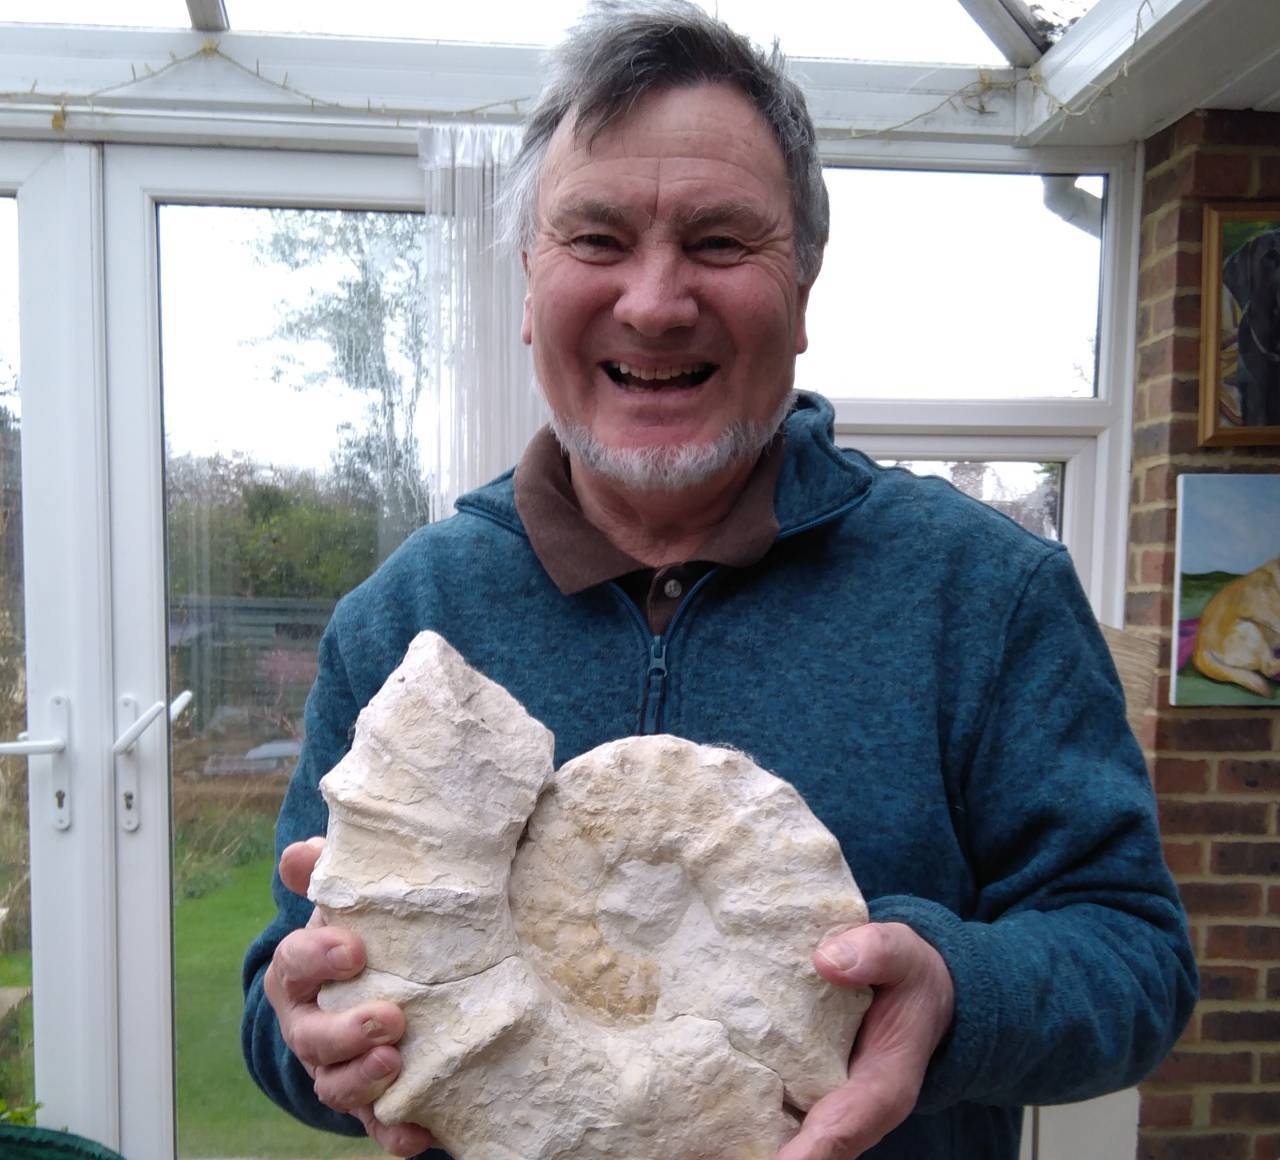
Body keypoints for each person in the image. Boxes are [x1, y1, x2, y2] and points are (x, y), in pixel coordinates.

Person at [241, 3, 1198, 1157]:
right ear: (527, 281)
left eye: (717, 241)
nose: (652, 300)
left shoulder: (983, 594)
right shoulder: (403, 622)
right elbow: (278, 997)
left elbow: (1133, 955)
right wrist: (307, 1033)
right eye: (595, 240)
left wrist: (953, 986)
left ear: (800, 289)